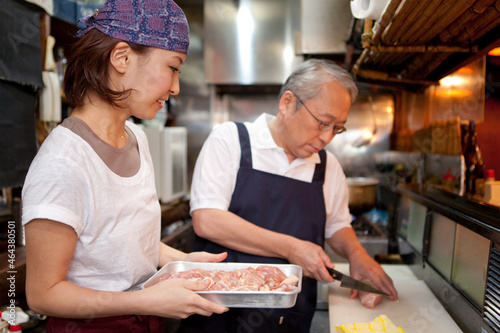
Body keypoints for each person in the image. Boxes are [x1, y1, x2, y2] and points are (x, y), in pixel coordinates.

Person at [21, 0, 228, 331]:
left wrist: (183, 262)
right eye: (173, 68)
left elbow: (123, 243)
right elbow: (43, 294)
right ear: (121, 57)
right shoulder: (63, 162)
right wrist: (146, 300)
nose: (175, 87)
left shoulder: (136, 138)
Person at [182, 59, 398, 333]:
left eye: (337, 128)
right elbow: (208, 220)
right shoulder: (230, 141)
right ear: (287, 103)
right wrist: (292, 248)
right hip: (217, 313)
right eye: (323, 122)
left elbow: (337, 226)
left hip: (290, 319)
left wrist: (357, 254)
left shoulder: (328, 166)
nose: (327, 137)